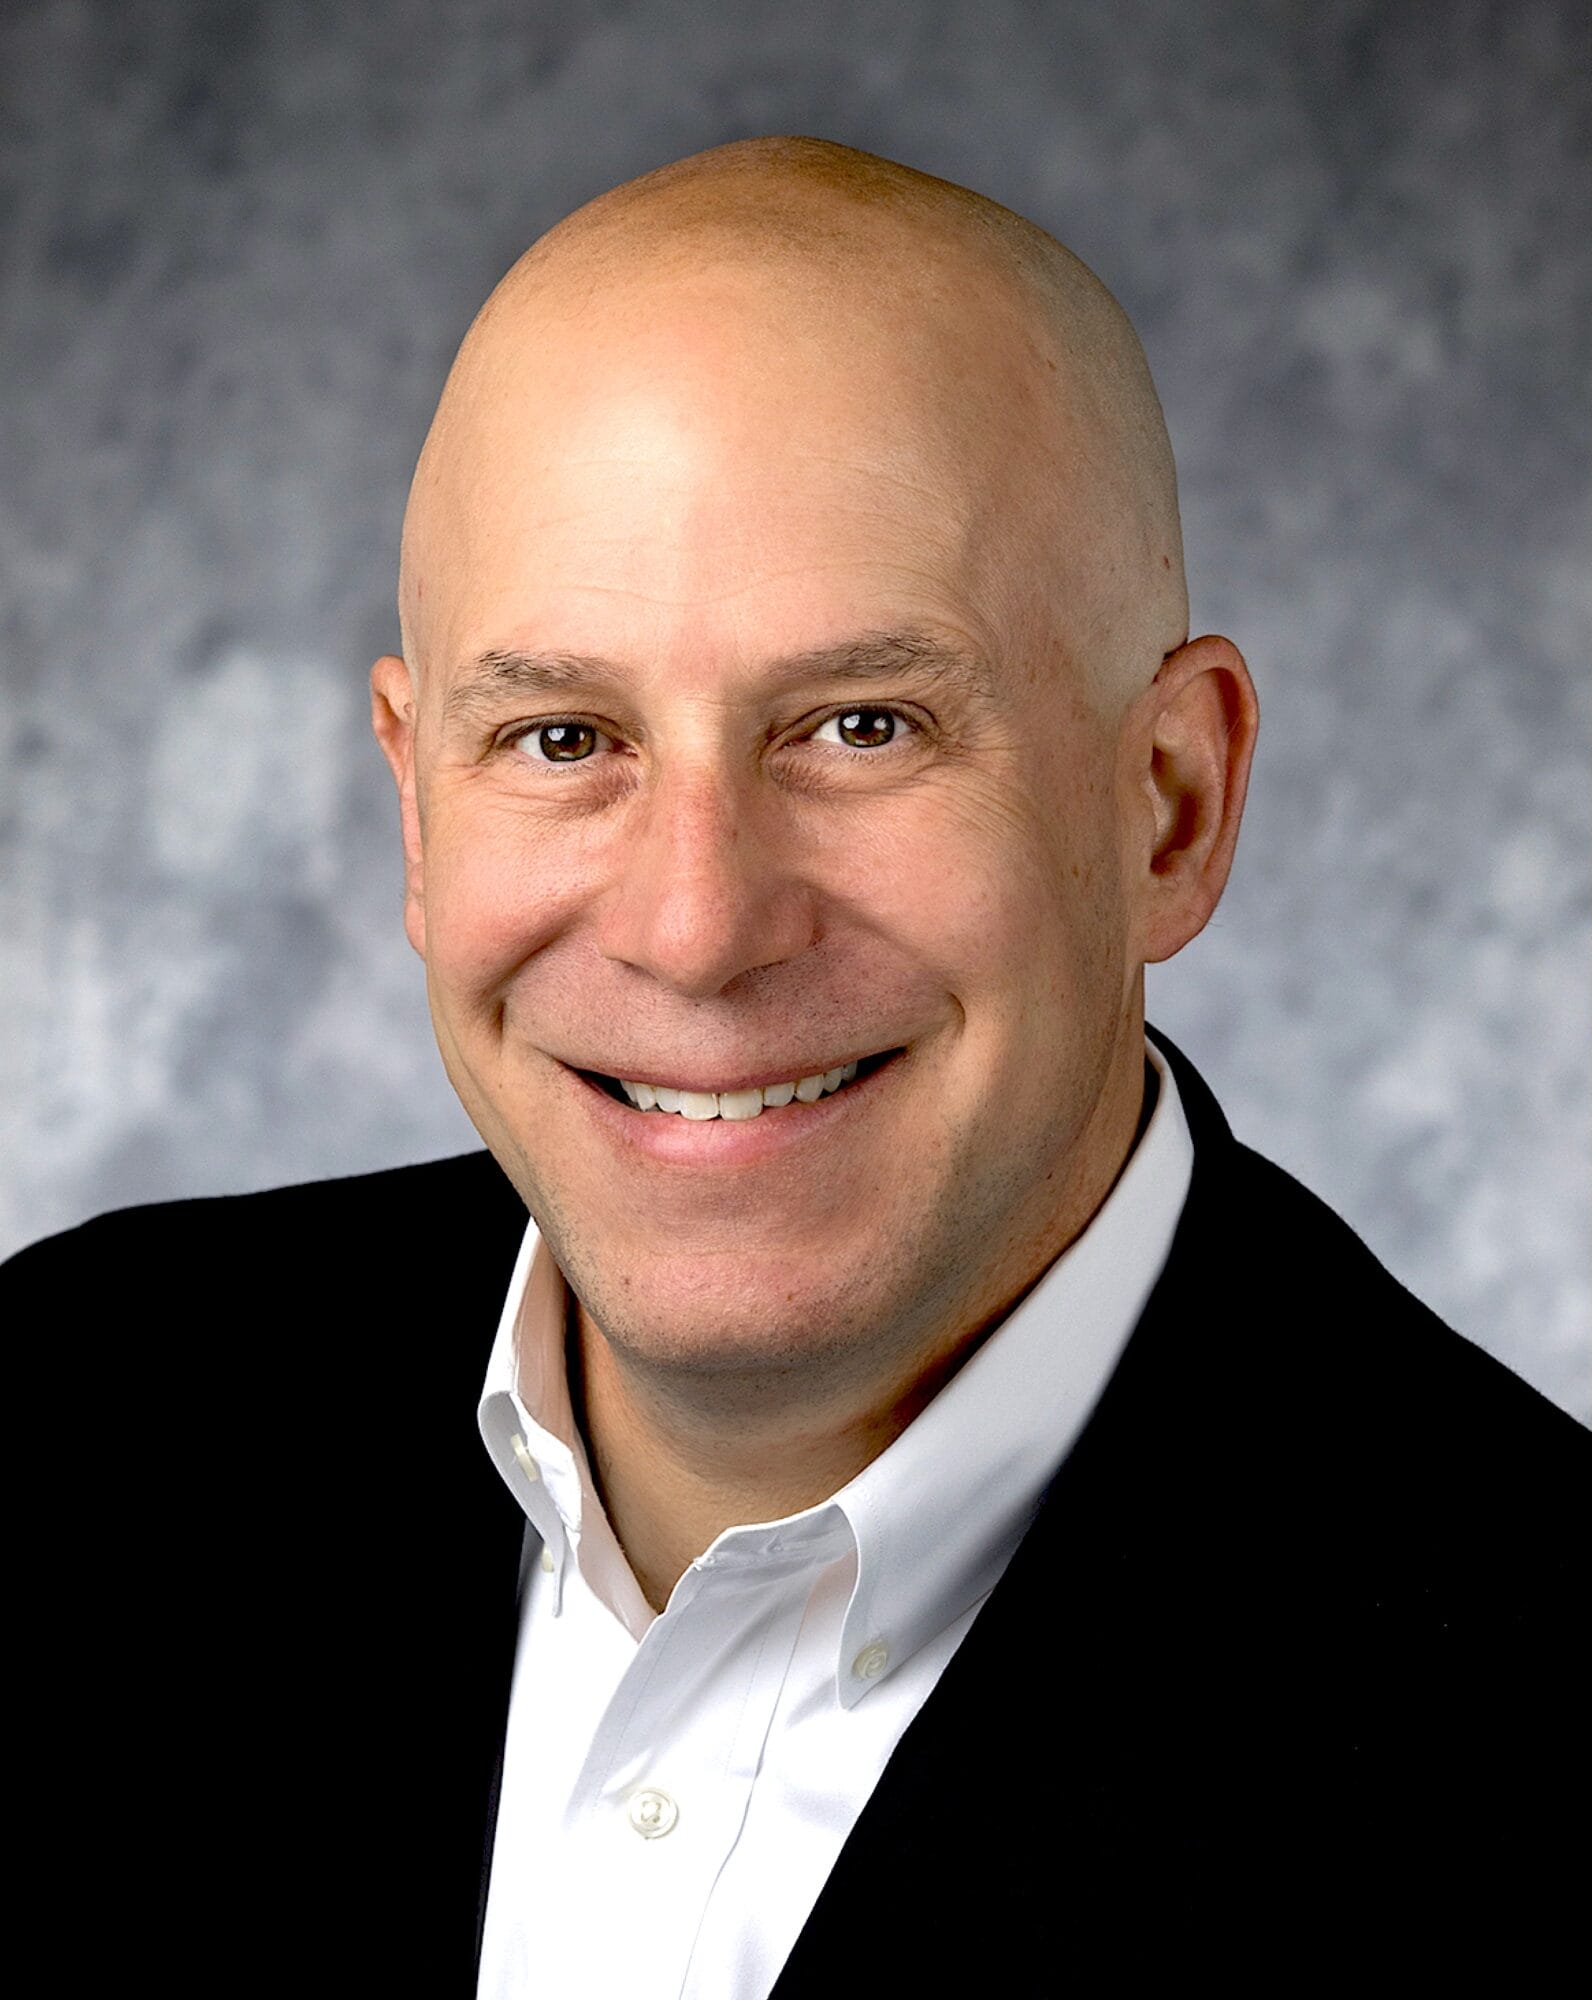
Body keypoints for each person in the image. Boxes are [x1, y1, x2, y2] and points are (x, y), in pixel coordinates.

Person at [6, 137, 1586, 1994]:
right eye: (562, 734)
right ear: (416, 811)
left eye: (863, 724)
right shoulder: (69, 1431)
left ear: (1168, 806)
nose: (697, 923)